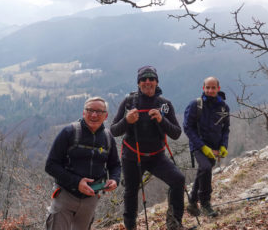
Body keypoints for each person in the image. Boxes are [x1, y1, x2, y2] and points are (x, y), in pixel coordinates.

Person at [110, 66, 186, 230]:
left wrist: (161, 120)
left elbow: (176, 133)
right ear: (138, 83)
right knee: (131, 192)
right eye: (143, 79)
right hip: (132, 157)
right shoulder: (129, 103)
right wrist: (126, 121)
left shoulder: (164, 105)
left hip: (157, 157)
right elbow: (114, 130)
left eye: (151, 78)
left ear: (157, 82)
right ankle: (131, 227)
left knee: (178, 180)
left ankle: (174, 223)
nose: (147, 82)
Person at [45, 96, 121, 230]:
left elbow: (114, 165)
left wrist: (114, 180)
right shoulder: (69, 132)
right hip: (65, 195)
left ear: (106, 116)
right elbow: (51, 165)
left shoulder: (108, 138)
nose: (94, 114)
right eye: (90, 110)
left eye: (99, 112)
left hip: (91, 198)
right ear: (83, 112)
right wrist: (77, 182)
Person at [183, 76, 230, 217]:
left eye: (213, 87)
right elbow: (187, 127)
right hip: (198, 145)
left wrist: (223, 146)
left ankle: (192, 201)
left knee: (204, 171)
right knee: (205, 168)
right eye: (207, 87)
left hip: (214, 147)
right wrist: (202, 146)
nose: (210, 90)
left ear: (218, 88)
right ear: (203, 88)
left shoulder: (224, 107)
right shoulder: (195, 105)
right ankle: (205, 204)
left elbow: (225, 128)